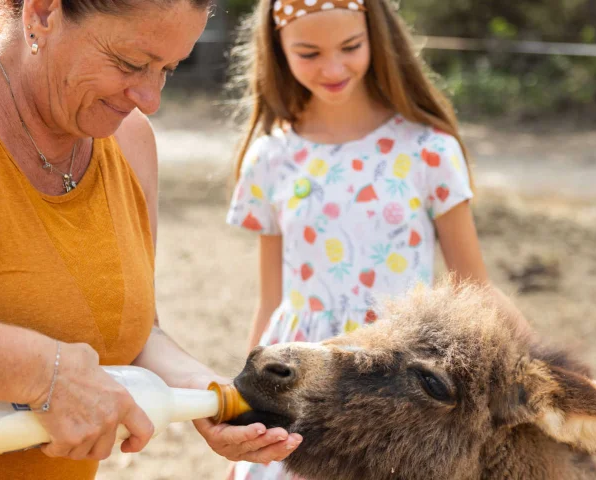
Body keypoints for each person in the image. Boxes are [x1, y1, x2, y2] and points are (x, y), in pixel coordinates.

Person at [226, 1, 532, 479]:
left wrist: (546, 373)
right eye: (308, 53)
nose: (332, 67)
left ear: (376, 37)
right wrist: (244, 407)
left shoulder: (427, 149)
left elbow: (474, 285)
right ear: (278, 49)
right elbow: (272, 301)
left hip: (392, 382)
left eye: (350, 47)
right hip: (300, 375)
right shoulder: (271, 157)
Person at [0, 0, 302, 478]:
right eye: (130, 64)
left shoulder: (130, 141)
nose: (150, 97)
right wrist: (40, 370)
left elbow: (138, 335)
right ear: (41, 13)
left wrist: (210, 396)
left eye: (168, 68)